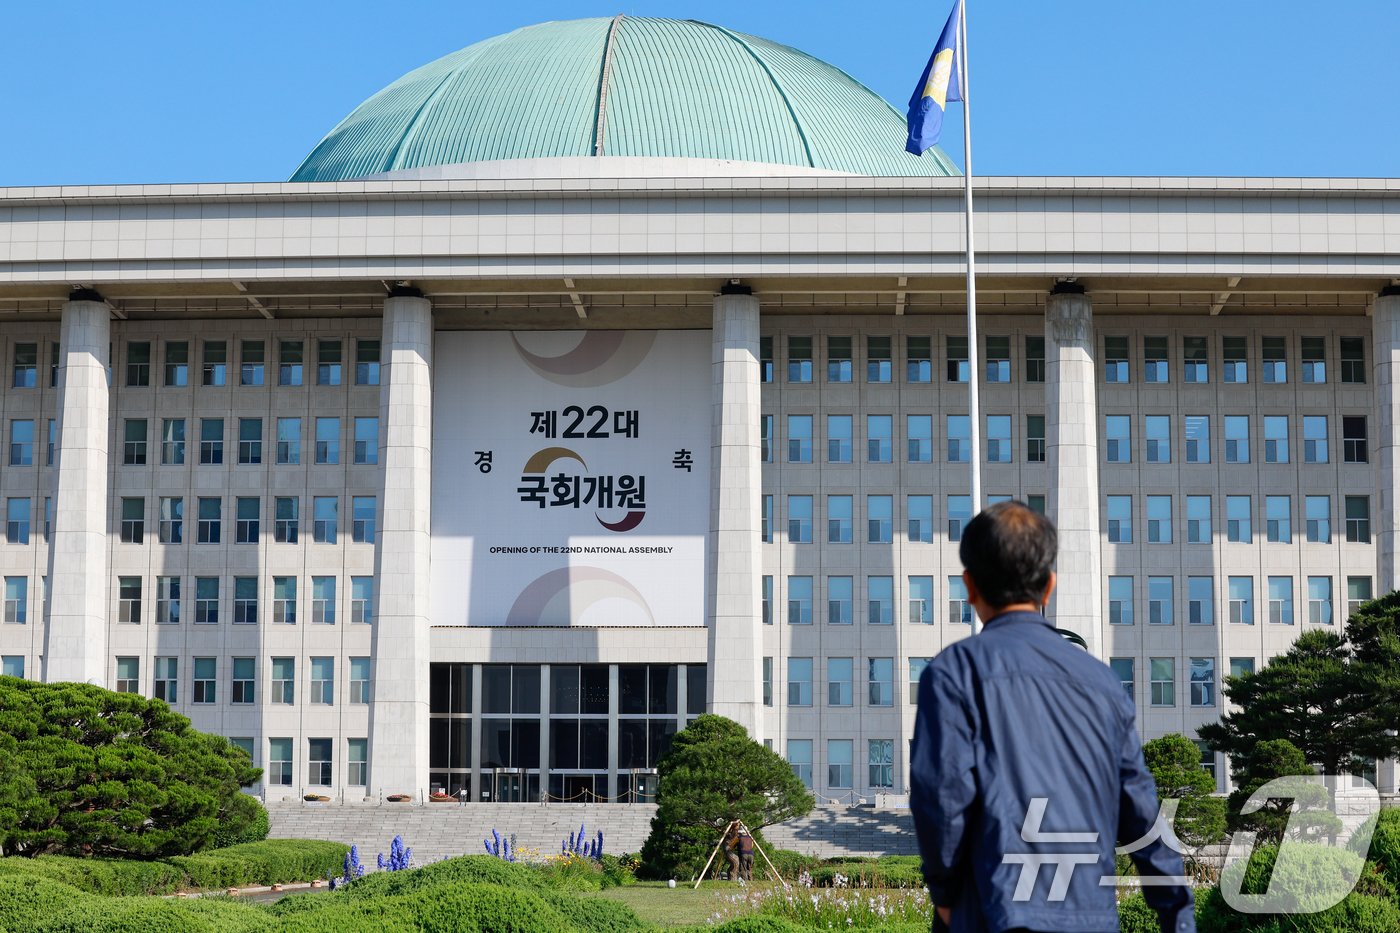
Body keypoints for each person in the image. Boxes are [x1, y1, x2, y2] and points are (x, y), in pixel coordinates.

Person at [910, 501, 1195, 933]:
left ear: (969, 586)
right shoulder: (1103, 684)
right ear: (1048, 586)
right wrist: (1178, 916)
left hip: (991, 913)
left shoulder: (954, 673)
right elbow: (1142, 812)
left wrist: (945, 895)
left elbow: (941, 796)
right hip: (1089, 918)